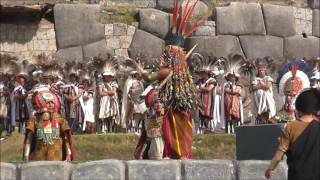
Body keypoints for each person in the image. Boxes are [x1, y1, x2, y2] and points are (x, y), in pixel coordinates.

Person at [265, 88, 320, 180]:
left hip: (296, 176)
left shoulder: (291, 126)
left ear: (298, 108)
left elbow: (279, 154)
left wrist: (270, 168)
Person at [23, 90, 76, 161]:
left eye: (52, 102)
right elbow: (29, 139)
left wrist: (68, 154)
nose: (50, 105)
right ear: (42, 104)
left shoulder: (61, 119)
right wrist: (26, 155)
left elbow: (66, 138)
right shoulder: (35, 119)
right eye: (48, 103)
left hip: (56, 158)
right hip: (38, 158)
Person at [251, 59, 276, 124]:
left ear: (265, 71)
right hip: (258, 100)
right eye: (260, 70)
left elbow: (268, 86)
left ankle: (269, 120)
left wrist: (259, 85)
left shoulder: (268, 78)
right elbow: (252, 88)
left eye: (262, 70)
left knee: (268, 112)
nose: (261, 72)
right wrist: (262, 86)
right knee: (260, 115)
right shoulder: (255, 79)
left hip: (267, 100)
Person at [63, 69, 84, 133]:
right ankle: (70, 130)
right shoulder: (66, 86)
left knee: (77, 116)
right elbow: (64, 93)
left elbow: (80, 93)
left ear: (75, 77)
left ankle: (76, 130)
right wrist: (69, 98)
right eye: (71, 76)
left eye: (74, 76)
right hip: (69, 104)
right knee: (69, 116)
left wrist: (74, 98)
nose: (72, 78)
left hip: (77, 104)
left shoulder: (79, 85)